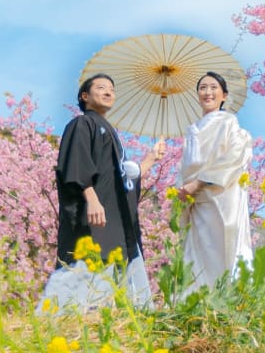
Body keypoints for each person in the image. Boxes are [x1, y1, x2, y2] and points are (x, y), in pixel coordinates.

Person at [40, 73, 164, 313]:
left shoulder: (110, 132)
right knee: (86, 268)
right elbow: (77, 164)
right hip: (94, 215)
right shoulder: (82, 124)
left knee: (110, 273)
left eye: (112, 89)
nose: (109, 92)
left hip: (113, 219)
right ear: (85, 96)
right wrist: (92, 199)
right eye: (101, 87)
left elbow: (122, 178)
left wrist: (150, 159)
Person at [178, 70, 253, 292]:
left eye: (213, 88)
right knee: (197, 253)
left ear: (224, 96)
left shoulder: (229, 122)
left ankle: (230, 300)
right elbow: (185, 168)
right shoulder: (192, 130)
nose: (207, 92)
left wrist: (199, 182)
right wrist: (181, 188)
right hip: (195, 202)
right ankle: (199, 305)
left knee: (223, 249)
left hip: (221, 196)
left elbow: (233, 157)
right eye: (203, 88)